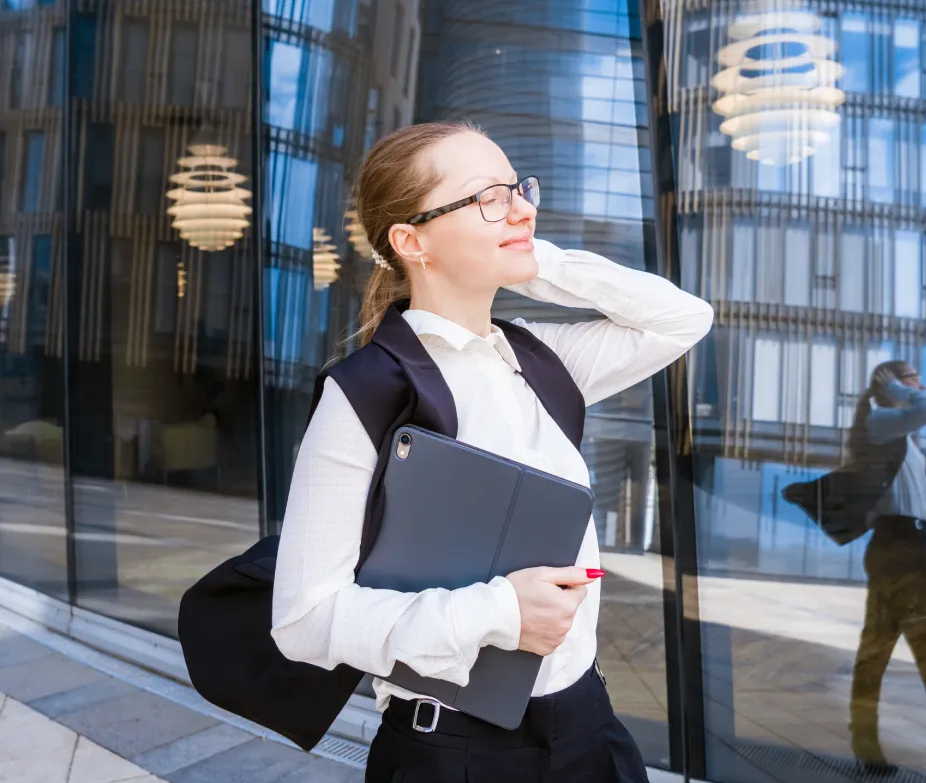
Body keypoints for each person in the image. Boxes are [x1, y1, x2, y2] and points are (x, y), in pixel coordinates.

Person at [269, 121, 714, 783]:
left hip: (588, 724)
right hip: (457, 751)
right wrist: (500, 612)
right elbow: (303, 621)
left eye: (519, 188)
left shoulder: (540, 357)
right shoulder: (366, 392)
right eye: (488, 198)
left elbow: (683, 318)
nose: (522, 208)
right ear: (412, 241)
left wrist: (542, 260)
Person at [847, 360, 926, 783]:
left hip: (906, 545)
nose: (921, 384)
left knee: (878, 652)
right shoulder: (881, 419)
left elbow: (896, 492)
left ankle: (868, 744)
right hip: (901, 549)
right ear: (892, 386)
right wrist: (896, 390)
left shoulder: (901, 439)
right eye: (912, 379)